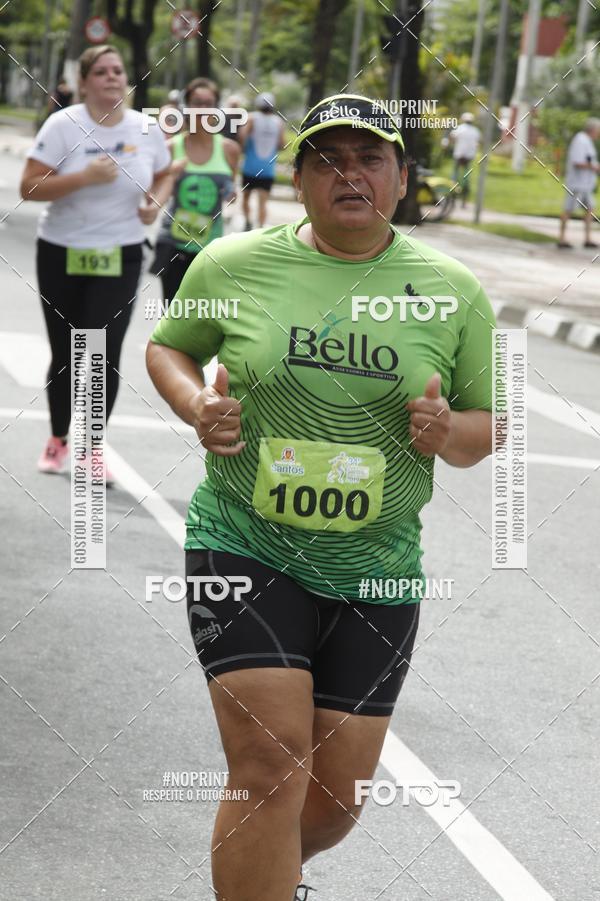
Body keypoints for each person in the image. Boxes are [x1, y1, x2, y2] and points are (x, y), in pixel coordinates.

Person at [146, 93, 496, 901]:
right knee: (269, 764)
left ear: (402, 179)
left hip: (377, 564)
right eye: (328, 160)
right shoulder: (232, 264)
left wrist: (450, 431)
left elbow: (487, 427)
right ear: (297, 180)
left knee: (335, 799)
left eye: (370, 158)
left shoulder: (452, 289)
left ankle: (272, 874)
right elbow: (169, 349)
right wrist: (196, 403)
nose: (351, 175)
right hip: (246, 538)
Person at [20, 44, 171, 478]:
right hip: (61, 251)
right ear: (84, 82)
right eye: (101, 72)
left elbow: (164, 173)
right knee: (67, 352)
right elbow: (29, 186)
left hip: (120, 253)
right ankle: (58, 438)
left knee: (103, 351)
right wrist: (83, 177)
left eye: (118, 70)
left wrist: (154, 205)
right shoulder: (63, 125)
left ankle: (91, 449)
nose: (112, 77)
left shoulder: (146, 128)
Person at [150, 77, 240, 302]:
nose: (202, 109)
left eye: (208, 103)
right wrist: (170, 173)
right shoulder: (171, 148)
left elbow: (231, 191)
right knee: (172, 316)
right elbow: (150, 193)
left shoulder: (229, 149)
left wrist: (231, 193)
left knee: (201, 320)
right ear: (186, 107)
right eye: (196, 102)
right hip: (173, 242)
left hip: (209, 247)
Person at [239, 91, 284, 229]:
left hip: (249, 168)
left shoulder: (252, 118)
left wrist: (245, 148)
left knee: (245, 198)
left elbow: (241, 137)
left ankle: (248, 221)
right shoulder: (278, 122)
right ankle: (260, 227)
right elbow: (282, 145)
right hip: (268, 170)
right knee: (263, 202)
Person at [558, 117, 600, 249]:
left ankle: (587, 239)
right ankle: (562, 239)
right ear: (593, 129)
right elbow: (577, 162)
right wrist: (594, 167)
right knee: (568, 209)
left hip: (586, 185)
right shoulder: (580, 140)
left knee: (590, 209)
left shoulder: (587, 141)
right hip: (576, 184)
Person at [449, 111, 481, 206]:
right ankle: (464, 194)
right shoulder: (476, 131)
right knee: (466, 176)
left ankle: (453, 190)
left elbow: (452, 137)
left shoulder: (459, 128)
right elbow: (478, 142)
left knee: (455, 174)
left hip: (459, 154)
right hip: (469, 156)